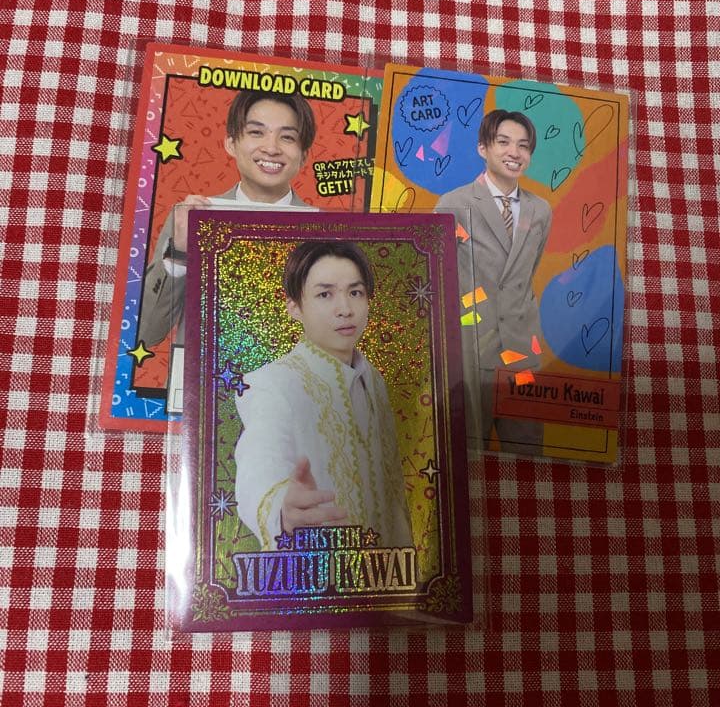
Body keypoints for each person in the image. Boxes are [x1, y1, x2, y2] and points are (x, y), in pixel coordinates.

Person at [233, 241, 413, 551]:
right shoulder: (272, 383)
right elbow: (258, 469)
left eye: (355, 292)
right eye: (325, 295)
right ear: (294, 307)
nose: (345, 309)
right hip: (319, 566)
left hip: (389, 567)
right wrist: (283, 509)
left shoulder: (374, 379)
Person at [138, 90, 317, 347]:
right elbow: (146, 332)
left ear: (304, 155)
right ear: (231, 143)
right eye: (256, 132)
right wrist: (178, 254)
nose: (271, 148)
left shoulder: (326, 231)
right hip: (200, 371)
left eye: (287, 137)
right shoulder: (191, 217)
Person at [435, 109, 552, 456]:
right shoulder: (453, 204)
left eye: (523, 145)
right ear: (483, 148)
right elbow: (440, 278)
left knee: (528, 451)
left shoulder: (540, 210)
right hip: (470, 351)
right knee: (468, 452)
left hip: (523, 351)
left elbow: (525, 274)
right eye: (503, 142)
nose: (514, 152)